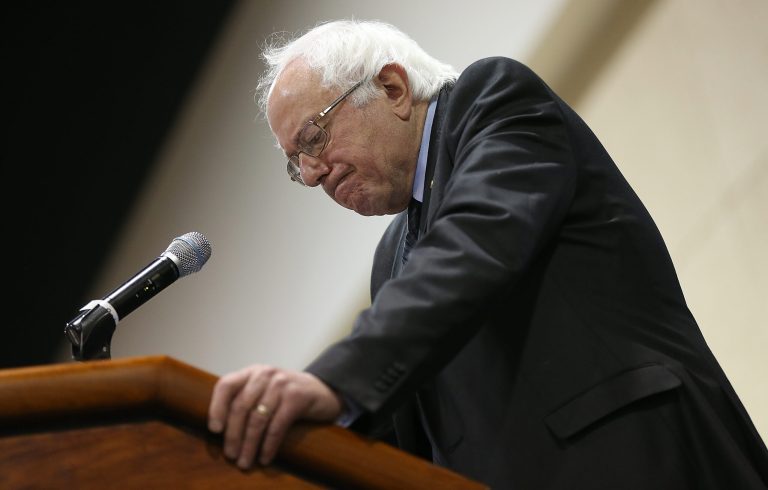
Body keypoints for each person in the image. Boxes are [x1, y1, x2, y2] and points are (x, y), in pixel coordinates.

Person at [207, 19, 768, 489]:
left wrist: (333, 381)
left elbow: (477, 244)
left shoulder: (494, 100)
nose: (310, 174)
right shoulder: (391, 259)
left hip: (642, 460)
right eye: (294, 163)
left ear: (394, 88)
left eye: (313, 139)